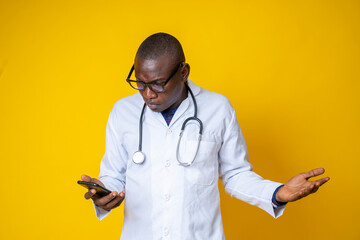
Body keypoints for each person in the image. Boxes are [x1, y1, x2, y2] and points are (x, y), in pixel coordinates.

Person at [81, 32, 329, 239]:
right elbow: (114, 176)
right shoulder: (122, 111)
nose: (147, 94)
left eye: (157, 84)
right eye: (140, 83)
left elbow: (235, 175)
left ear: (183, 72)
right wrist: (103, 195)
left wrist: (276, 193)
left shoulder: (217, 108)